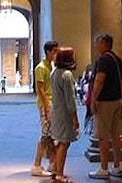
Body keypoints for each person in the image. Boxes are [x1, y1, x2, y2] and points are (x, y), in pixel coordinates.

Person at [89, 34, 122, 180]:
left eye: (96, 43)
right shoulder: (118, 60)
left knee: (103, 136)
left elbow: (99, 80)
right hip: (117, 100)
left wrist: (93, 99)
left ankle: (103, 168)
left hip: (105, 102)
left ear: (103, 44)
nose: (95, 46)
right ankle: (117, 166)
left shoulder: (103, 59)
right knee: (116, 136)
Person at [51, 47, 80, 183]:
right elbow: (70, 99)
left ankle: (56, 169)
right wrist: (75, 117)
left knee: (59, 142)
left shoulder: (54, 72)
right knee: (64, 143)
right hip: (64, 114)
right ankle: (59, 174)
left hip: (56, 111)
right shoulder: (67, 75)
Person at [31, 40, 59, 178]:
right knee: (45, 135)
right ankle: (36, 165)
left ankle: (52, 164)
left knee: (51, 135)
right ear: (48, 51)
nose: (56, 54)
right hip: (45, 105)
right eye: (54, 51)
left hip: (51, 104)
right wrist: (47, 107)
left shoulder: (50, 66)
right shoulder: (41, 68)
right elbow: (40, 90)